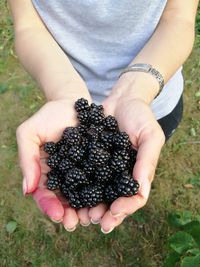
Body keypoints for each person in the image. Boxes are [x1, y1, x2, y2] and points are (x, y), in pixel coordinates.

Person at [8, 0, 199, 234]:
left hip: (152, 99)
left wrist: (136, 91)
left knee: (142, 153)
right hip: (66, 87)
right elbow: (28, 26)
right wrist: (63, 91)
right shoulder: (82, 145)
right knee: (133, 161)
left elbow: (179, 17)